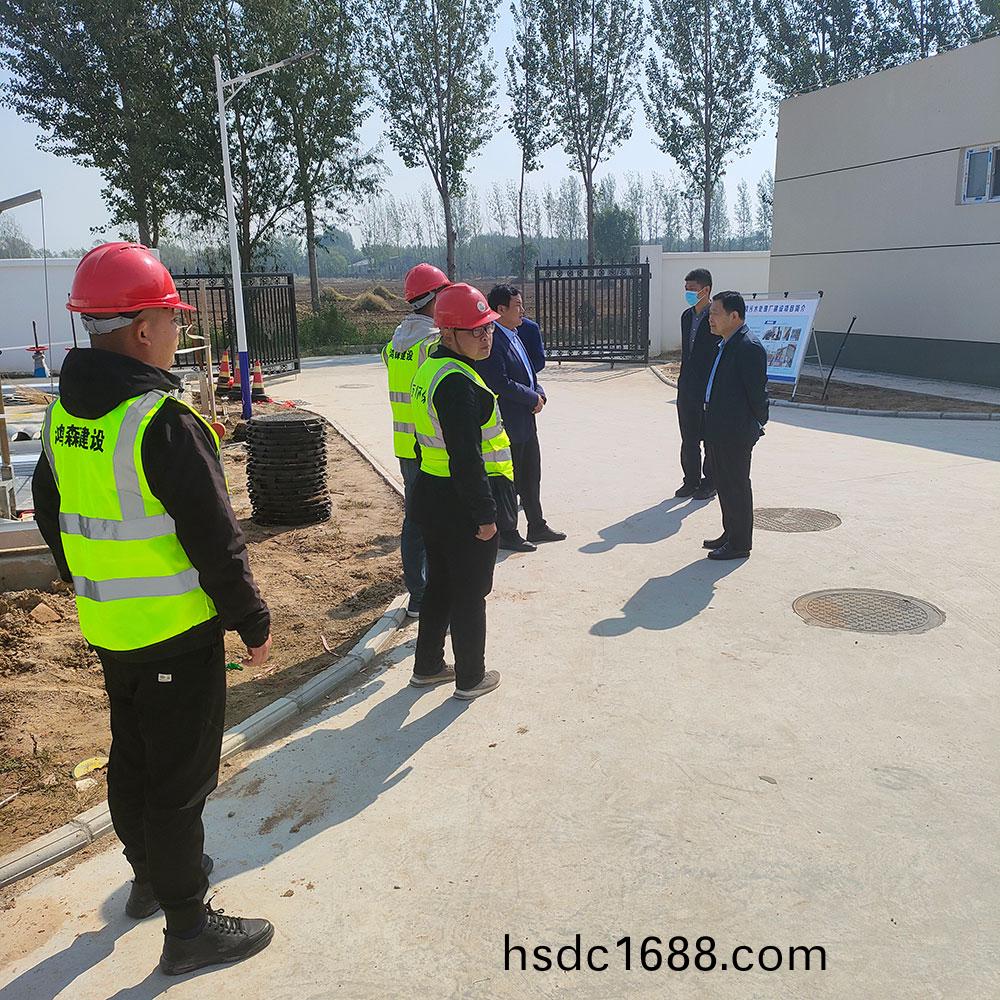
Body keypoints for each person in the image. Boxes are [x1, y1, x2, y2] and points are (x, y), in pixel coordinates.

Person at [31, 242, 274, 976]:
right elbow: (215, 539)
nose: (179, 329)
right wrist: (252, 619)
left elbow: (50, 512)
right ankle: (189, 928)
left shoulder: (62, 415)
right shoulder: (159, 420)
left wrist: (91, 580)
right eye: (173, 318)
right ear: (142, 330)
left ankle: (148, 879)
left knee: (133, 760)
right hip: (175, 634)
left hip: (111, 629)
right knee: (179, 784)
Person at [408, 283, 512, 700]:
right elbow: (466, 457)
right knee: (470, 592)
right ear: (449, 333)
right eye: (477, 330)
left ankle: (428, 666)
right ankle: (471, 678)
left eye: (489, 328)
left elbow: (422, 441)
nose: (487, 337)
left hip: (433, 494)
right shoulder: (456, 383)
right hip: (461, 503)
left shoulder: (432, 367)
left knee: (441, 585)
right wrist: (485, 515)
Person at [381, 262, 450, 618]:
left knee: (415, 519)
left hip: (405, 445)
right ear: (433, 298)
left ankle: (418, 594)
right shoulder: (432, 344)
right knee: (435, 522)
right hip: (429, 445)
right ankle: (426, 595)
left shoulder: (394, 344)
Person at [475, 284, 565, 551]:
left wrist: (539, 393)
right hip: (507, 421)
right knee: (508, 480)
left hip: (525, 418)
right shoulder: (493, 341)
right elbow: (499, 382)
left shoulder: (515, 335)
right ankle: (508, 532)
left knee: (531, 474)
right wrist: (531, 397)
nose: (523, 311)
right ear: (500, 310)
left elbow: (528, 374)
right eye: (517, 306)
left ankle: (536, 525)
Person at [701, 291, 769, 561]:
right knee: (724, 483)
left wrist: (757, 423)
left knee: (736, 485)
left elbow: (757, 394)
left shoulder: (748, 347)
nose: (710, 319)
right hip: (719, 427)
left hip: (736, 431)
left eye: (715, 313)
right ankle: (730, 533)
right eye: (710, 314)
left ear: (735, 316)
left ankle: (740, 543)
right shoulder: (727, 343)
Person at [674, 268, 717, 501]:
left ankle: (710, 482)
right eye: (686, 289)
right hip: (687, 386)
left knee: (710, 437)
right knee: (688, 436)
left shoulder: (716, 317)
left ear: (706, 290)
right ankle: (691, 480)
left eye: (692, 289)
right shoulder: (686, 316)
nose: (688, 293)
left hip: (709, 386)